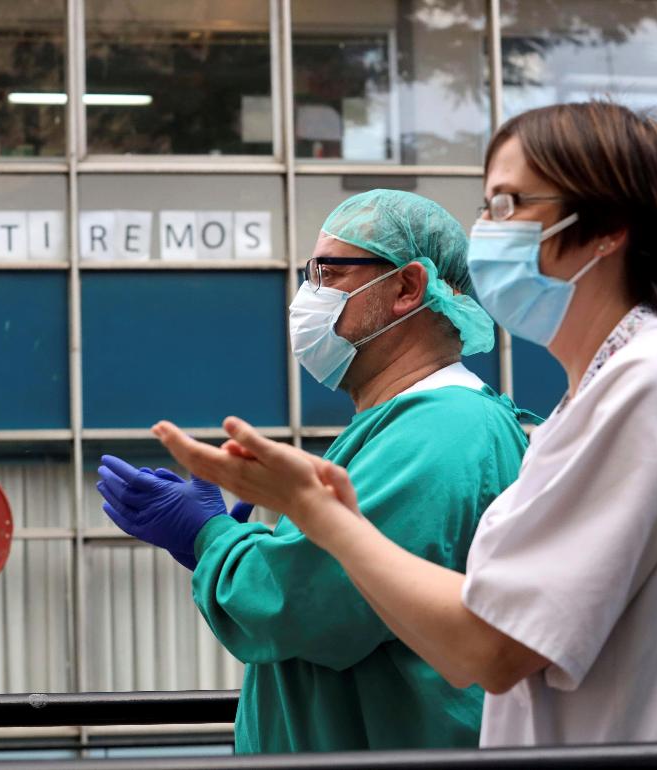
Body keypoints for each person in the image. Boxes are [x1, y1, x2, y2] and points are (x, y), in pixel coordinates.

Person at [153, 102, 657, 747]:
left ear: (607, 228)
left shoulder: (651, 388)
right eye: (485, 207)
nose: (484, 231)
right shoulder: (604, 399)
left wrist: (314, 514)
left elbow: (489, 646)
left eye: (508, 206)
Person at [96, 189, 533, 753]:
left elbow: (311, 606)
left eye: (328, 273)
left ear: (406, 288)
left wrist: (212, 540)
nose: (309, 296)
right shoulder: (404, 423)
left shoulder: (441, 430)